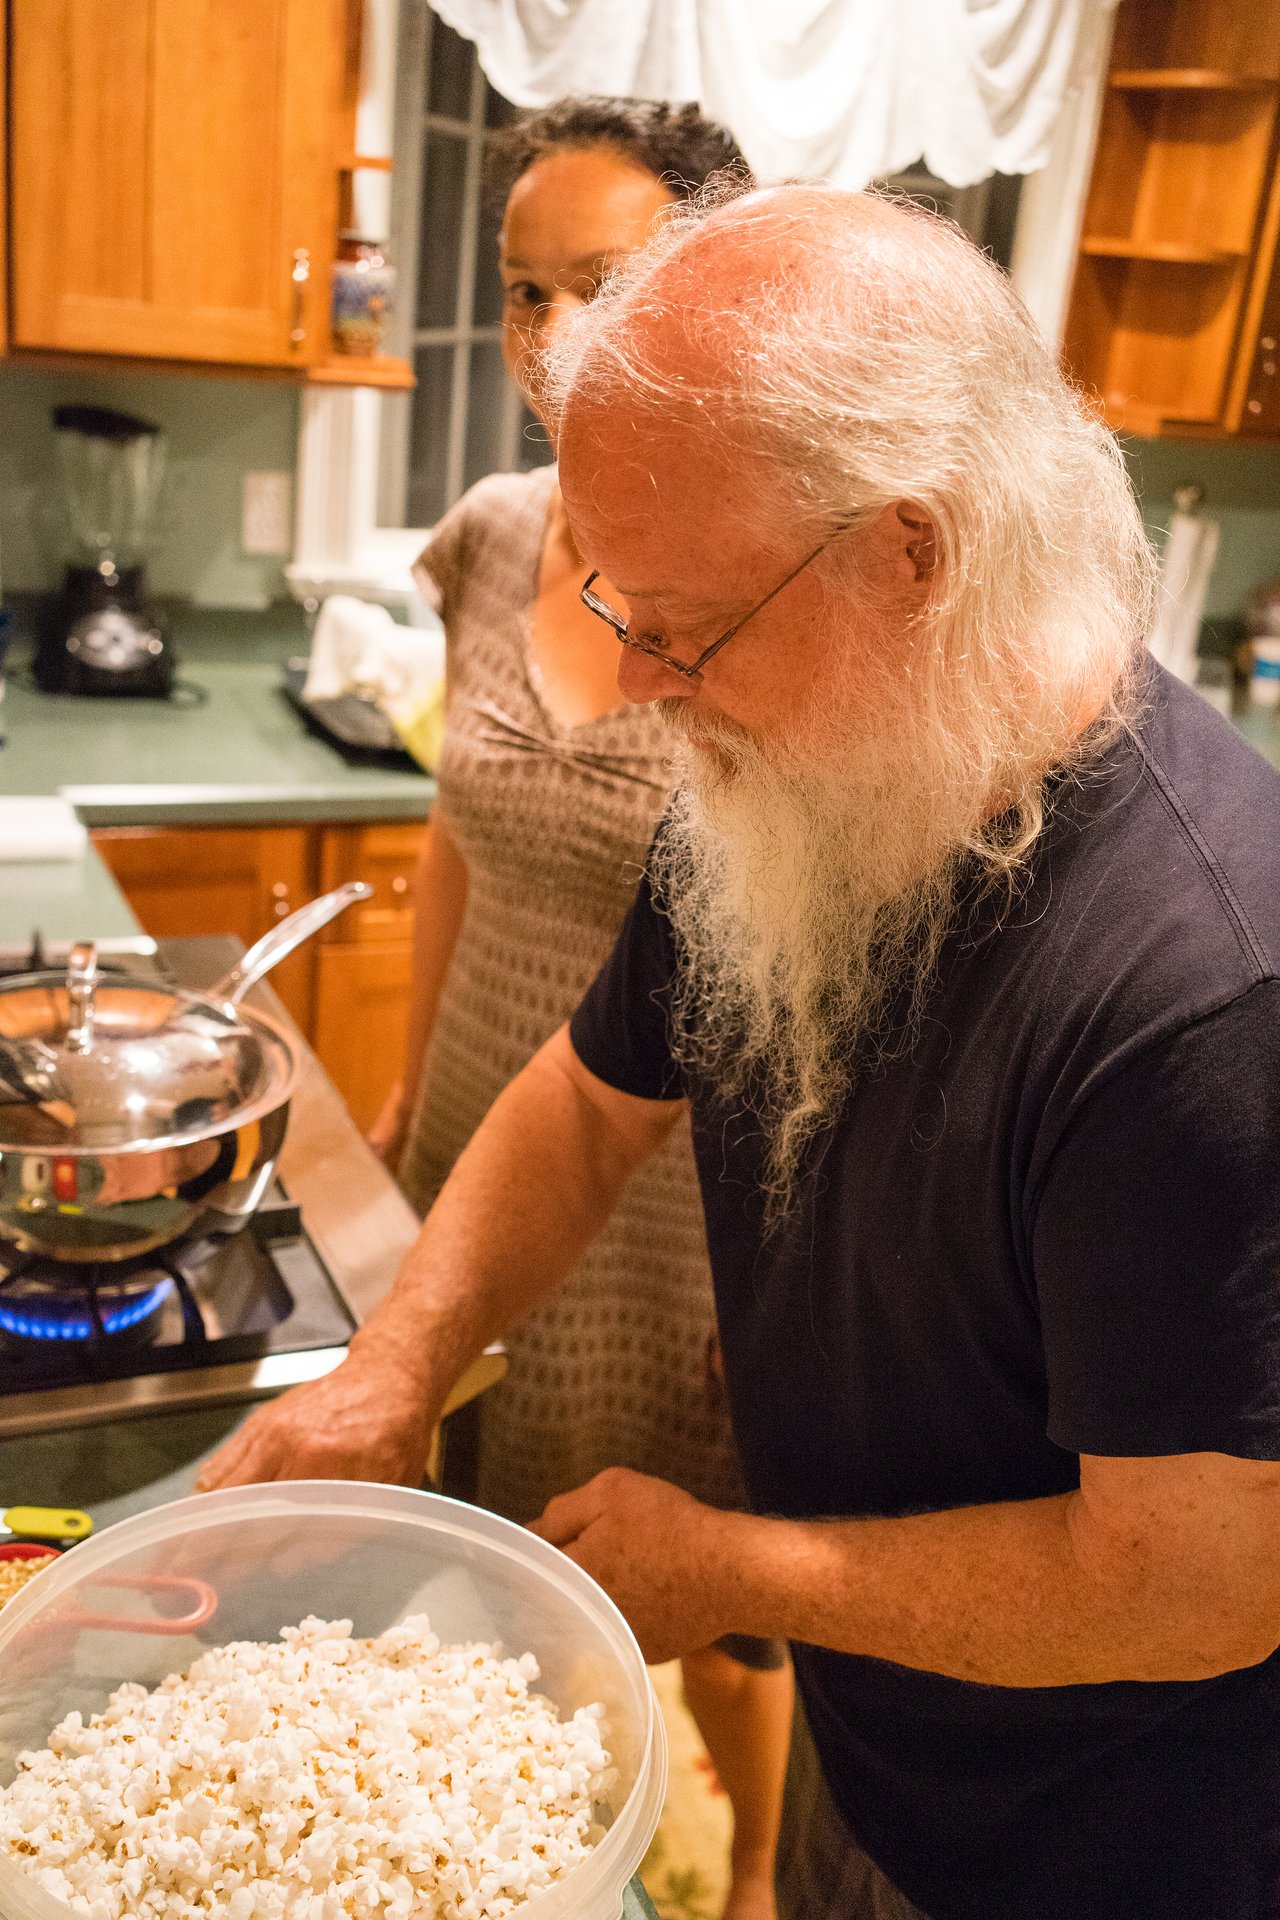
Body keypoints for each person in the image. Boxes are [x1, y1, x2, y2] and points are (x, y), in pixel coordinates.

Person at [200, 179, 1280, 1920]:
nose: (635, 686)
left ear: (911, 551)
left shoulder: (1206, 994)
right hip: (880, 1752)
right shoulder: (817, 780)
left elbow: (1196, 1581)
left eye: (684, 626)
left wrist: (733, 1566)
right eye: (623, 612)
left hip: (1098, 1846)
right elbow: (585, 1099)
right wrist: (397, 1364)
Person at [204, 101, 792, 1920]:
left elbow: (798, 959)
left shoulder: (766, 575)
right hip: (500, 1115)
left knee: (698, 1559)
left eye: (599, 289)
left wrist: (793, 1251)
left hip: (688, 1177)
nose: (548, 341)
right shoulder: (489, 532)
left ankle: (757, 1861)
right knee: (491, 1517)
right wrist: (401, 1091)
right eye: (524, 292)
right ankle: (518, 1816)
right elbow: (456, 832)